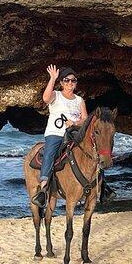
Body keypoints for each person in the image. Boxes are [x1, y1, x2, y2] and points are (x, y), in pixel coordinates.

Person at [32, 65, 87, 208]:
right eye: (66, 80)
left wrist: (74, 122)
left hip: (74, 133)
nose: (70, 83)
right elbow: (45, 98)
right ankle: (43, 189)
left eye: (73, 81)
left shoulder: (79, 100)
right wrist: (52, 78)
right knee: (50, 154)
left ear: (76, 83)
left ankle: (102, 187)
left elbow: (85, 119)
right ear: (62, 83)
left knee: (93, 149)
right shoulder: (56, 95)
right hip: (55, 133)